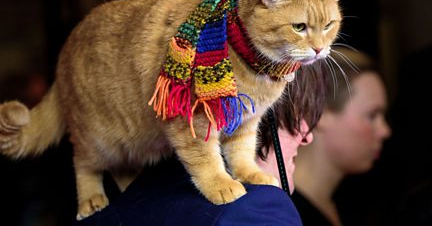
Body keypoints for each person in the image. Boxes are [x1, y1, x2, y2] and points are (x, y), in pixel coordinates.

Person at [74, 62, 328, 226]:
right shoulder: (257, 211)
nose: (307, 136)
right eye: (303, 113)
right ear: (259, 110)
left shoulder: (126, 201)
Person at [291, 48, 391, 226]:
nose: (385, 131)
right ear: (320, 113)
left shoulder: (351, 203)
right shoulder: (284, 215)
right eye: (372, 115)